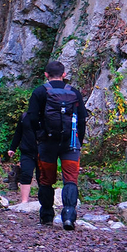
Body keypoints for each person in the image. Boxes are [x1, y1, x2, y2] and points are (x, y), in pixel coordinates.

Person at [26, 61, 87, 229]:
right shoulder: (74, 92)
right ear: (64, 74)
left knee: (46, 180)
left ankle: (46, 216)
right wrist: (77, 141)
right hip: (70, 143)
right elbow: (81, 119)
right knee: (70, 180)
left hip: (47, 143)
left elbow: (31, 118)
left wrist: (39, 136)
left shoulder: (39, 92)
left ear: (46, 74)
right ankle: (69, 216)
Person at [6, 111, 36, 205]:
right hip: (27, 151)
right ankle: (24, 202)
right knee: (26, 174)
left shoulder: (48, 116)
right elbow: (18, 132)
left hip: (43, 152)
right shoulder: (25, 116)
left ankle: (45, 203)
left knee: (43, 176)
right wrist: (12, 148)